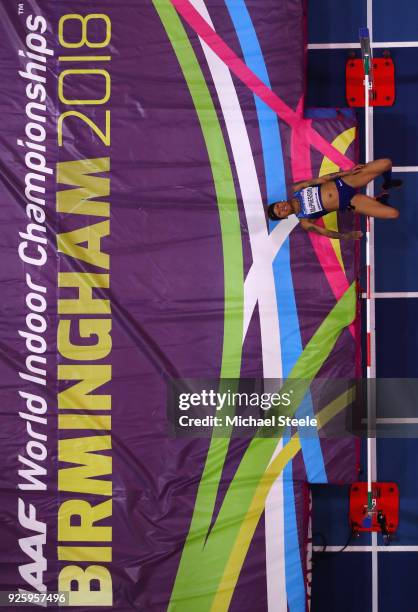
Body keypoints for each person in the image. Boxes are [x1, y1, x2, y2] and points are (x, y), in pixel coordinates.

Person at [267, 158, 401, 240]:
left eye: (278, 206)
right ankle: (380, 202)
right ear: (284, 217)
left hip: (346, 182)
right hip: (350, 202)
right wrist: (347, 236)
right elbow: (325, 232)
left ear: (281, 201)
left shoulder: (297, 189)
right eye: (280, 213)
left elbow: (322, 179)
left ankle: (387, 183)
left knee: (386, 163)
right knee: (394, 214)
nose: (281, 208)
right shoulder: (304, 221)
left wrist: (348, 172)